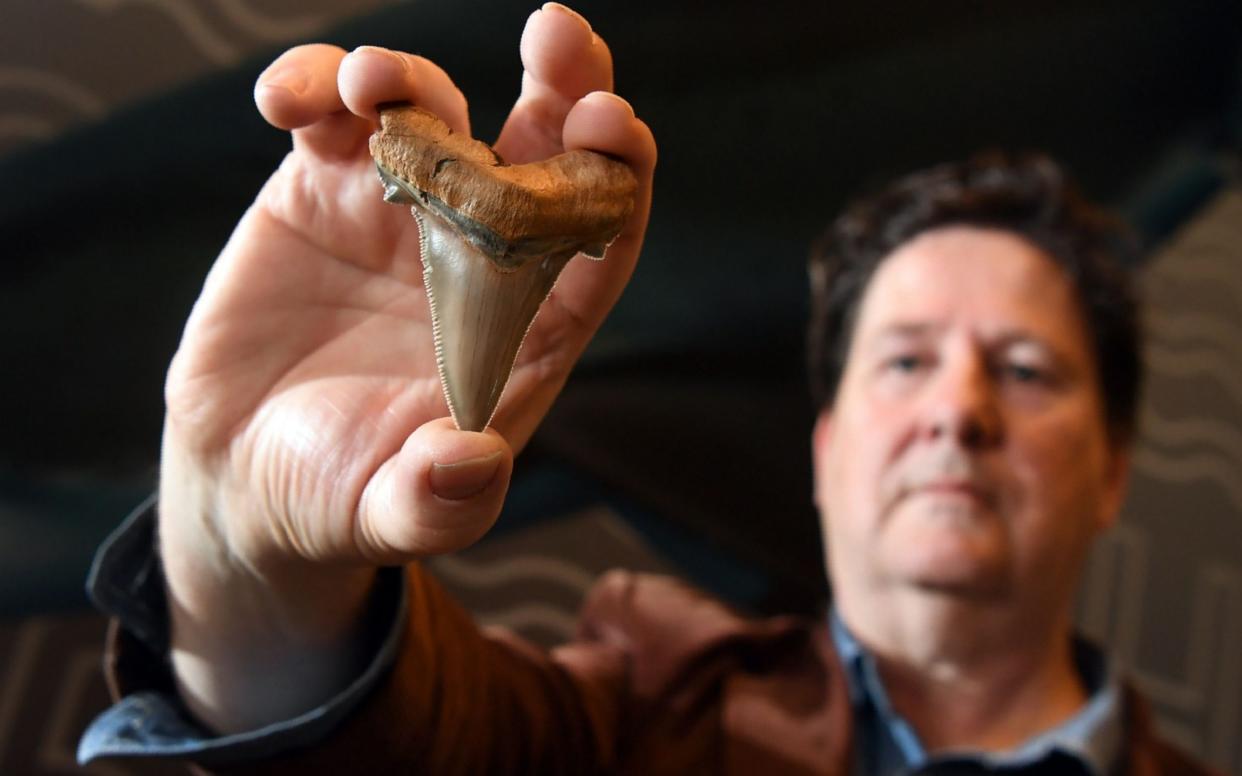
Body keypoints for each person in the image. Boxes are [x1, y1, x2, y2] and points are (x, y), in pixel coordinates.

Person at [78, 5, 1220, 775]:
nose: (958, 409)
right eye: (906, 359)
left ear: (1116, 464)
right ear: (822, 448)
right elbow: (388, 744)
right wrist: (246, 547)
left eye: (1025, 369)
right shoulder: (637, 712)